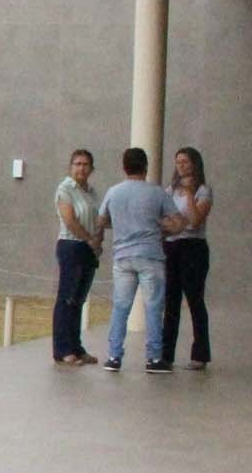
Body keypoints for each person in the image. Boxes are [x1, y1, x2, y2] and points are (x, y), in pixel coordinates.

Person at [99, 147, 183, 374]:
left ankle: (114, 356)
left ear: (124, 167)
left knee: (120, 306)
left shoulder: (113, 192)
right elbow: (178, 223)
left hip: (122, 256)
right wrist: (160, 228)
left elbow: (102, 220)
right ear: (146, 167)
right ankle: (154, 358)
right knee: (153, 307)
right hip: (150, 255)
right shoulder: (157, 193)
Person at [159, 146, 215, 370]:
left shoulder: (203, 190)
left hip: (193, 247)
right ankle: (166, 354)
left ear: (195, 164)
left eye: (185, 162)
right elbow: (164, 219)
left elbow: (195, 220)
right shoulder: (170, 189)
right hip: (171, 245)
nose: (181, 166)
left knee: (194, 300)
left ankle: (200, 354)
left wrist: (189, 194)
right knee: (171, 301)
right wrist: (174, 225)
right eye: (178, 162)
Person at [50, 148, 103, 366]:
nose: (81, 168)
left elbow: (98, 218)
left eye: (85, 164)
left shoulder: (91, 192)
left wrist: (97, 240)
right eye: (77, 164)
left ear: (91, 168)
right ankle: (62, 349)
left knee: (79, 300)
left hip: (88, 248)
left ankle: (76, 347)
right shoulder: (65, 189)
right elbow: (70, 220)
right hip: (71, 245)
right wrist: (89, 239)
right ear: (71, 167)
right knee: (67, 298)